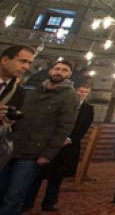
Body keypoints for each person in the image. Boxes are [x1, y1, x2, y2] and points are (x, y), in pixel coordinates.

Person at [0, 59, 77, 215]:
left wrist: (48, 154)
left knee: (14, 196)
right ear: (50, 70)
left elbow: (64, 128)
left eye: (64, 70)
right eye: (57, 68)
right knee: (1, 190)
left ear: (69, 74)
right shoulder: (34, 90)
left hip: (33, 153)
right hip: (12, 147)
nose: (59, 72)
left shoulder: (70, 96)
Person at [25, 82, 94, 211]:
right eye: (81, 91)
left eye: (85, 92)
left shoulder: (89, 109)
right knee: (38, 175)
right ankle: (28, 202)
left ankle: (49, 203)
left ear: (88, 93)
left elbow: (84, 127)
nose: (82, 93)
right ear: (76, 91)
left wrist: (69, 139)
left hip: (68, 146)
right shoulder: (65, 102)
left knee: (57, 177)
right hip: (50, 142)